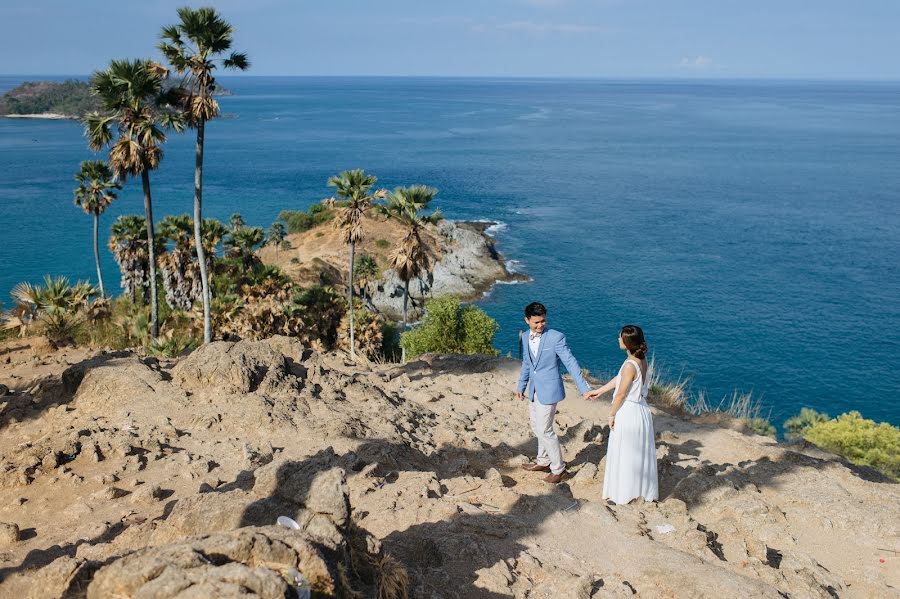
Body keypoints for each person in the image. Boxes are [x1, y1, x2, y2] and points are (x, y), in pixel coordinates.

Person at [516, 302, 591, 483]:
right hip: (533, 390)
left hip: (550, 390)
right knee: (536, 427)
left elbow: (570, 362)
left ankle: (559, 469)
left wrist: (584, 388)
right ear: (527, 320)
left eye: (543, 321)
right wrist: (521, 386)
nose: (540, 325)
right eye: (536, 322)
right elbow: (527, 363)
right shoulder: (525, 337)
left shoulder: (556, 337)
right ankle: (543, 461)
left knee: (545, 429)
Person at [584, 325, 658, 504]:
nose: (618, 339)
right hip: (641, 410)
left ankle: (623, 496)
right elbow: (621, 379)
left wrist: (611, 414)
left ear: (626, 342)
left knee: (626, 454)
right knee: (638, 455)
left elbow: (621, 394)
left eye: (620, 337)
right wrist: (600, 390)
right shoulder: (640, 359)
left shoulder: (629, 366)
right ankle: (640, 492)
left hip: (629, 412)